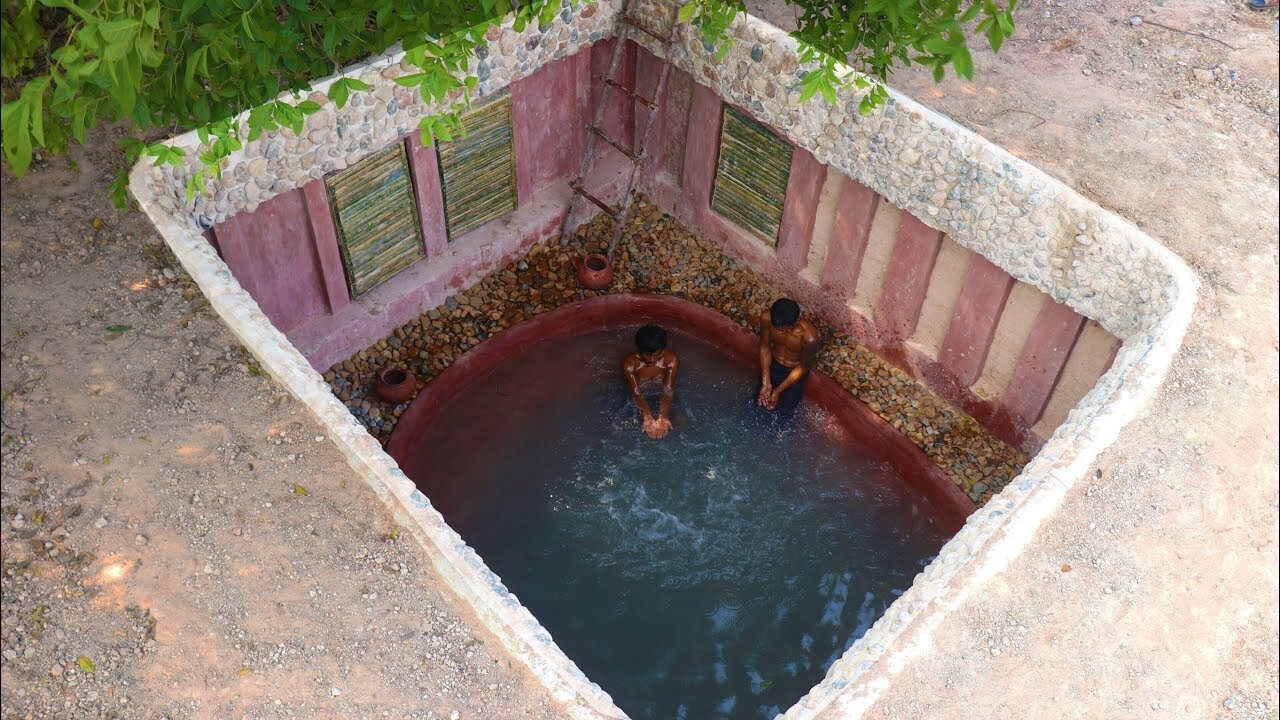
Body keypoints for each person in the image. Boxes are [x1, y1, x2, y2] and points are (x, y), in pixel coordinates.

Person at [757, 298, 820, 420]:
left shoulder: (810, 338)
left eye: (782, 329)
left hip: (795, 372)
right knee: (759, 401)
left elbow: (803, 366)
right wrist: (766, 381)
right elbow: (765, 346)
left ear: (793, 324)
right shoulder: (767, 318)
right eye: (776, 328)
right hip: (773, 364)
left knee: (785, 414)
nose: (779, 332)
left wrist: (778, 391)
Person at [622, 324, 680, 439]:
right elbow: (636, 392)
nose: (652, 360)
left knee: (681, 420)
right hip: (639, 398)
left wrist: (663, 416)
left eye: (657, 355)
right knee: (620, 428)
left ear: (663, 350)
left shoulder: (671, 360)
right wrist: (647, 416)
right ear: (639, 350)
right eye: (647, 355)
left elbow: (667, 389)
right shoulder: (630, 364)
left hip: (662, 395)